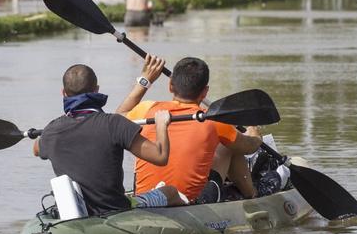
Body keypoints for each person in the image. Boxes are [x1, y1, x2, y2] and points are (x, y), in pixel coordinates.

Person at [117, 56, 284, 204]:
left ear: (170, 85)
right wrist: (254, 131)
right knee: (228, 146)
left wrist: (145, 80)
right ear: (204, 92)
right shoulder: (214, 121)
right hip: (194, 201)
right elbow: (248, 146)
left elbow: (117, 119)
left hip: (147, 196)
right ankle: (253, 193)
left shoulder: (147, 110)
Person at [33, 64, 187, 215]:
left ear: (63, 93)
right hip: (117, 209)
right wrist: (161, 125)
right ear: (97, 90)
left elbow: (36, 149)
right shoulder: (114, 123)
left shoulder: (51, 131)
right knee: (170, 191)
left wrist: (47, 133)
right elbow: (160, 156)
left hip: (79, 212)